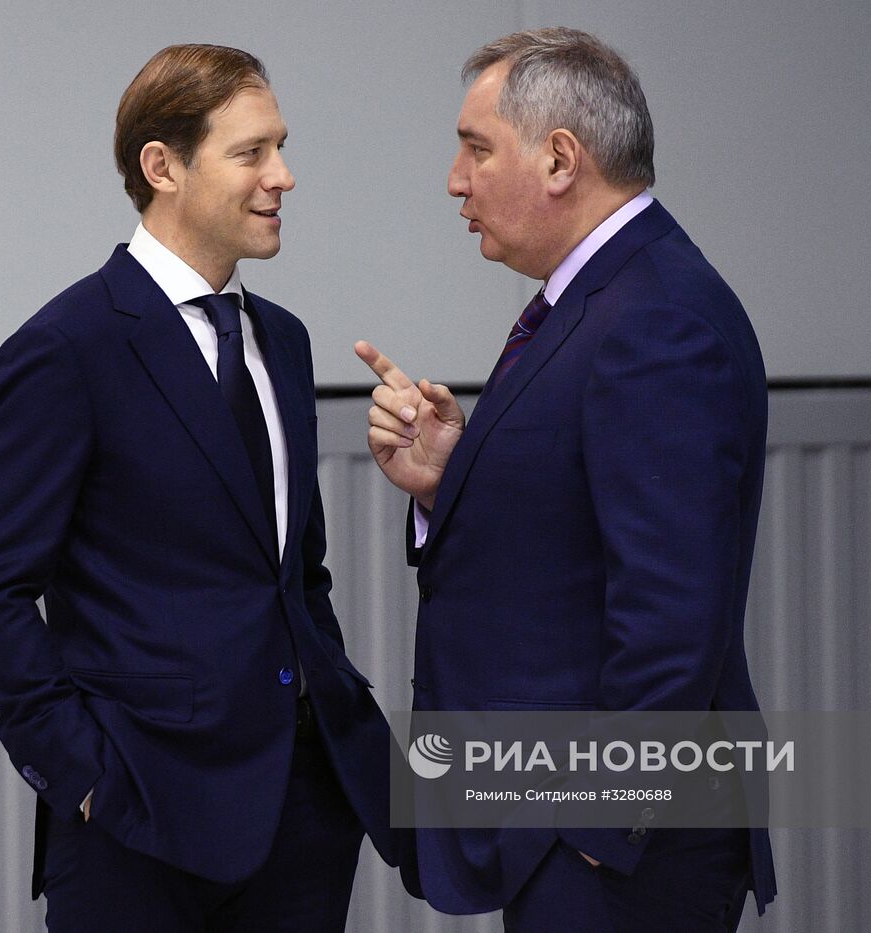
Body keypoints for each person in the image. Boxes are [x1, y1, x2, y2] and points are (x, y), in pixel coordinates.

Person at [0, 44, 396, 933]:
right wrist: (84, 776)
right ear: (163, 167)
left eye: (281, 148)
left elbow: (294, 575)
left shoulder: (285, 342)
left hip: (303, 815)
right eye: (252, 152)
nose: (283, 176)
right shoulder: (66, 348)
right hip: (138, 823)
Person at [356, 27, 777, 932]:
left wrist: (593, 825)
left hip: (623, 852)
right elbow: (580, 535)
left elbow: (672, 612)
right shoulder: (606, 298)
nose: (455, 180)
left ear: (559, 159)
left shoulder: (654, 320)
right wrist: (451, 480)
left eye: (476, 149)